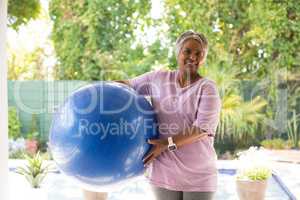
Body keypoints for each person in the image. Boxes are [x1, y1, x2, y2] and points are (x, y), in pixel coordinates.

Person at [84, 30, 221, 200]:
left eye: (198, 53)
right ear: (178, 52)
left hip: (199, 174)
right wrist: (92, 91)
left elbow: (201, 129)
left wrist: (166, 143)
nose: (192, 57)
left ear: (203, 58)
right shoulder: (158, 78)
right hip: (164, 172)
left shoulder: (207, 88)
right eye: (187, 51)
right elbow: (128, 85)